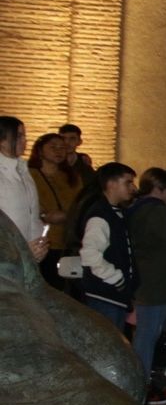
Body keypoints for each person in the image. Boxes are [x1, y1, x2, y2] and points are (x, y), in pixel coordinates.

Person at [128, 168, 166, 391]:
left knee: (145, 333)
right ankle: (140, 382)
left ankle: (139, 379)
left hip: (142, 280)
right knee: (148, 335)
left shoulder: (134, 209)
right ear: (160, 188)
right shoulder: (159, 214)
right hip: (156, 284)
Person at [77, 163, 140, 333]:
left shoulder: (116, 213)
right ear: (111, 184)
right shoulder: (100, 215)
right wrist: (115, 277)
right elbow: (90, 254)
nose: (133, 188)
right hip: (104, 296)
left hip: (115, 296)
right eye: (128, 182)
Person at [29, 131, 83, 289]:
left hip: (68, 239)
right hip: (42, 240)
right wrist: (44, 215)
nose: (59, 151)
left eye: (62, 148)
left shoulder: (72, 177)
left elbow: (81, 203)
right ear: (40, 150)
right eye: (53, 147)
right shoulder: (29, 175)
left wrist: (69, 215)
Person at [0, 116, 47, 263]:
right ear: (2, 140)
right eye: (18, 136)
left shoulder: (23, 170)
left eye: (24, 136)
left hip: (28, 255)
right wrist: (18, 250)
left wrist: (38, 245)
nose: (24, 140)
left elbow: (32, 214)